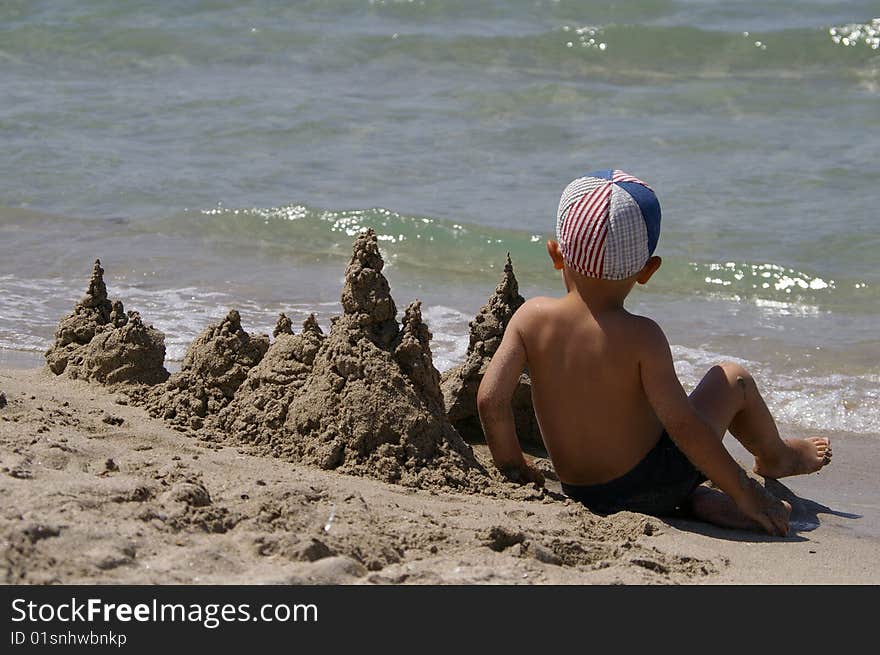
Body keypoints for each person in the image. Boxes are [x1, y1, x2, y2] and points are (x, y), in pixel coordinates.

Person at [476, 170, 832, 536]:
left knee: (666, 453)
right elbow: (684, 427)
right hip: (654, 487)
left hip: (583, 492)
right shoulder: (643, 336)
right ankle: (776, 457)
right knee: (731, 379)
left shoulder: (529, 319)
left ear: (556, 252)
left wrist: (515, 469)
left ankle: (698, 500)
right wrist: (745, 492)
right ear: (648, 270)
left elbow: (490, 400)